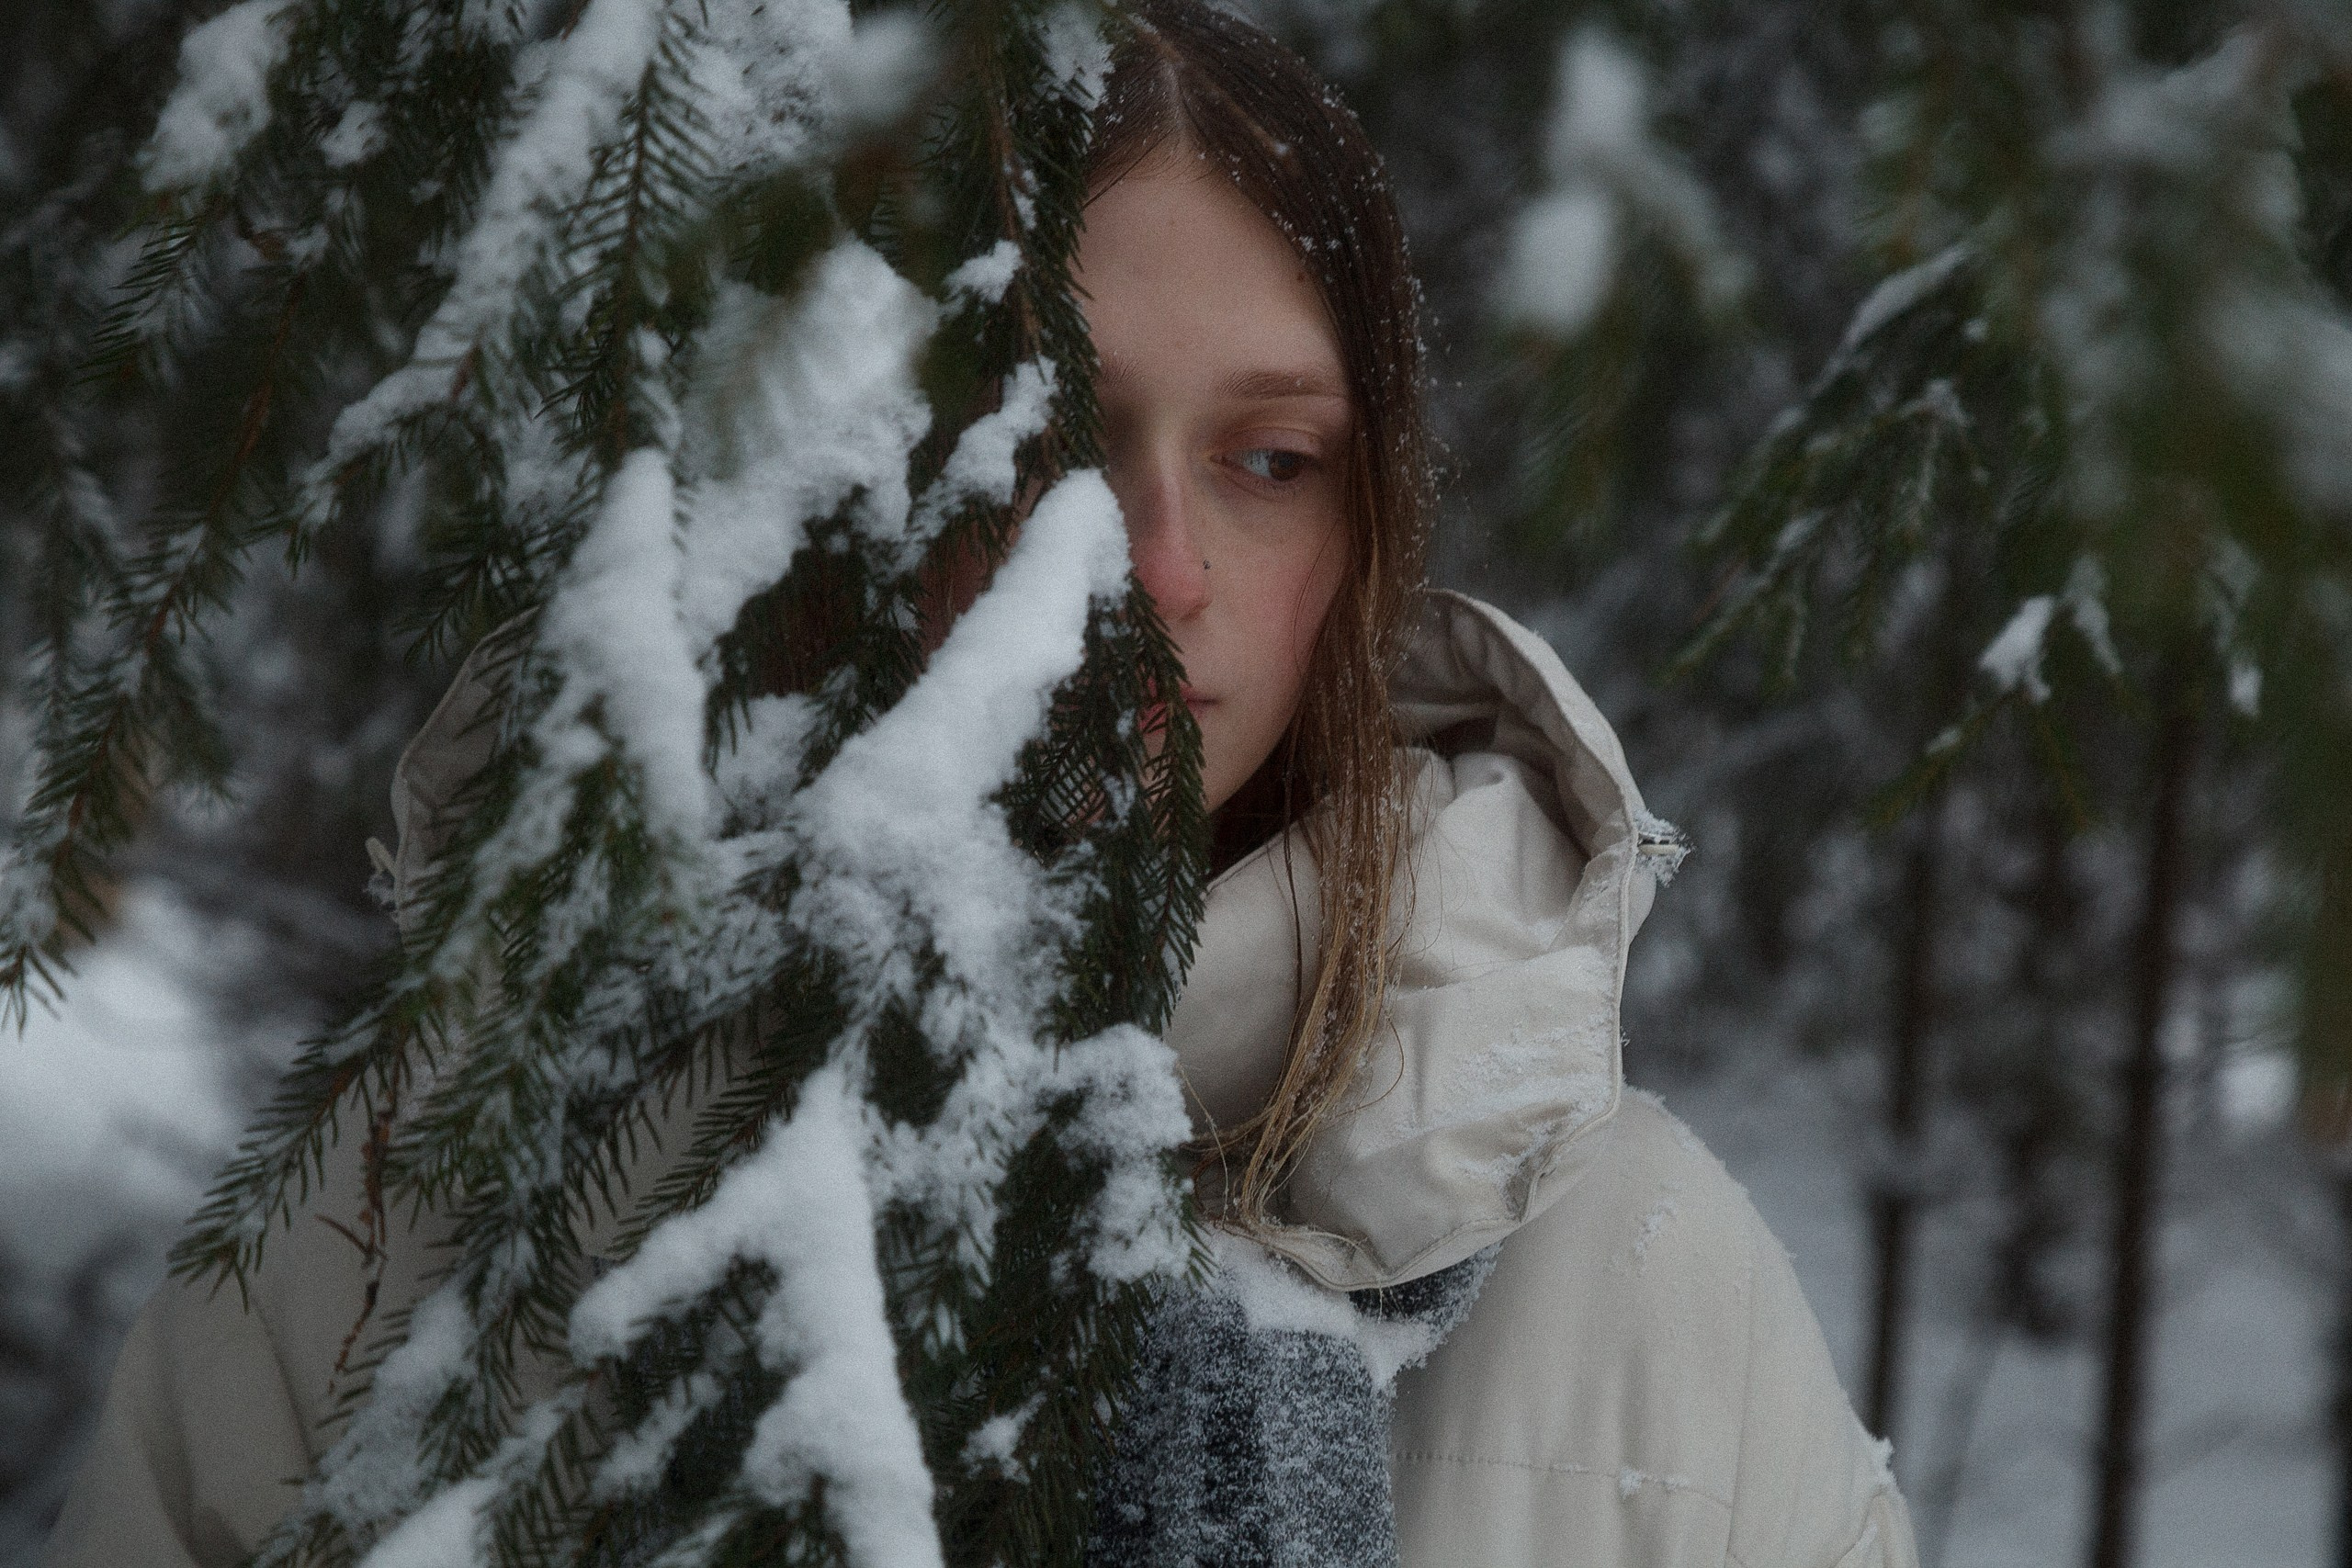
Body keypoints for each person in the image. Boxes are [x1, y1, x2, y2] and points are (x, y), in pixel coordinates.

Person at [46, 3, 1917, 1564]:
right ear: (840, 492)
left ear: (1369, 528)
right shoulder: (399, 1219)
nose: (1161, 564)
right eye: (1053, 440)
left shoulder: (1641, 1281)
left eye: (1270, 458)